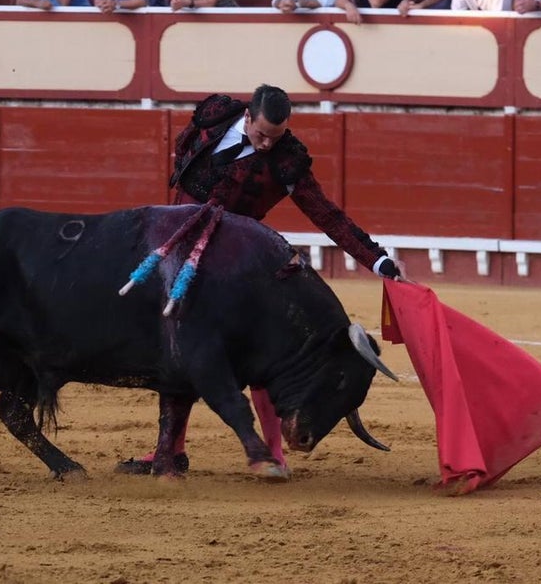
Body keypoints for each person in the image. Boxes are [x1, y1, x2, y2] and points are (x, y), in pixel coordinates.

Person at [115, 84, 402, 478]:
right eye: (262, 134)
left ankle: (273, 455)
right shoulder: (214, 115)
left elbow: (327, 216)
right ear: (247, 117)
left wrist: (378, 260)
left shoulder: (287, 161)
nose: (267, 144)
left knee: (265, 353)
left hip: (235, 267)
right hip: (178, 253)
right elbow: (182, 161)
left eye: (276, 137)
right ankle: (170, 451)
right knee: (178, 351)